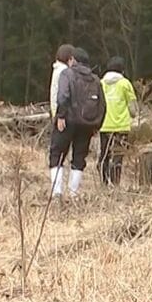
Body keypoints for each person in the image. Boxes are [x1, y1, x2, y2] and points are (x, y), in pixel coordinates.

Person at [52, 47, 106, 199]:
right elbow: (102, 104)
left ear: (72, 60)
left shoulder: (67, 74)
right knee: (79, 157)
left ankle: (57, 192)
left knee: (57, 154)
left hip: (68, 121)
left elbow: (63, 96)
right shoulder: (95, 79)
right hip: (87, 124)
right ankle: (73, 193)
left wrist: (60, 116)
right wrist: (97, 125)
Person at [98, 56, 136, 186]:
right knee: (118, 156)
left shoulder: (101, 83)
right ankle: (115, 184)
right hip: (121, 126)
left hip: (104, 125)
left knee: (104, 155)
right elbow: (132, 107)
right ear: (122, 70)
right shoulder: (125, 84)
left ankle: (103, 182)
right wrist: (133, 115)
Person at [50, 44, 75, 120]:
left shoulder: (58, 69)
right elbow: (64, 94)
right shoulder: (64, 72)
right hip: (62, 113)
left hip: (56, 111)